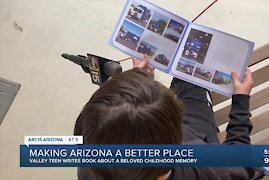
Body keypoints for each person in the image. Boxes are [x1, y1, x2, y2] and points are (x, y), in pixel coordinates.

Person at [74, 54, 254, 180]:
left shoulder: (89, 170)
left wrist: (139, 77)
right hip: (199, 133)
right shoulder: (210, 168)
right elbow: (242, 165)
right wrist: (241, 101)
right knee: (193, 73)